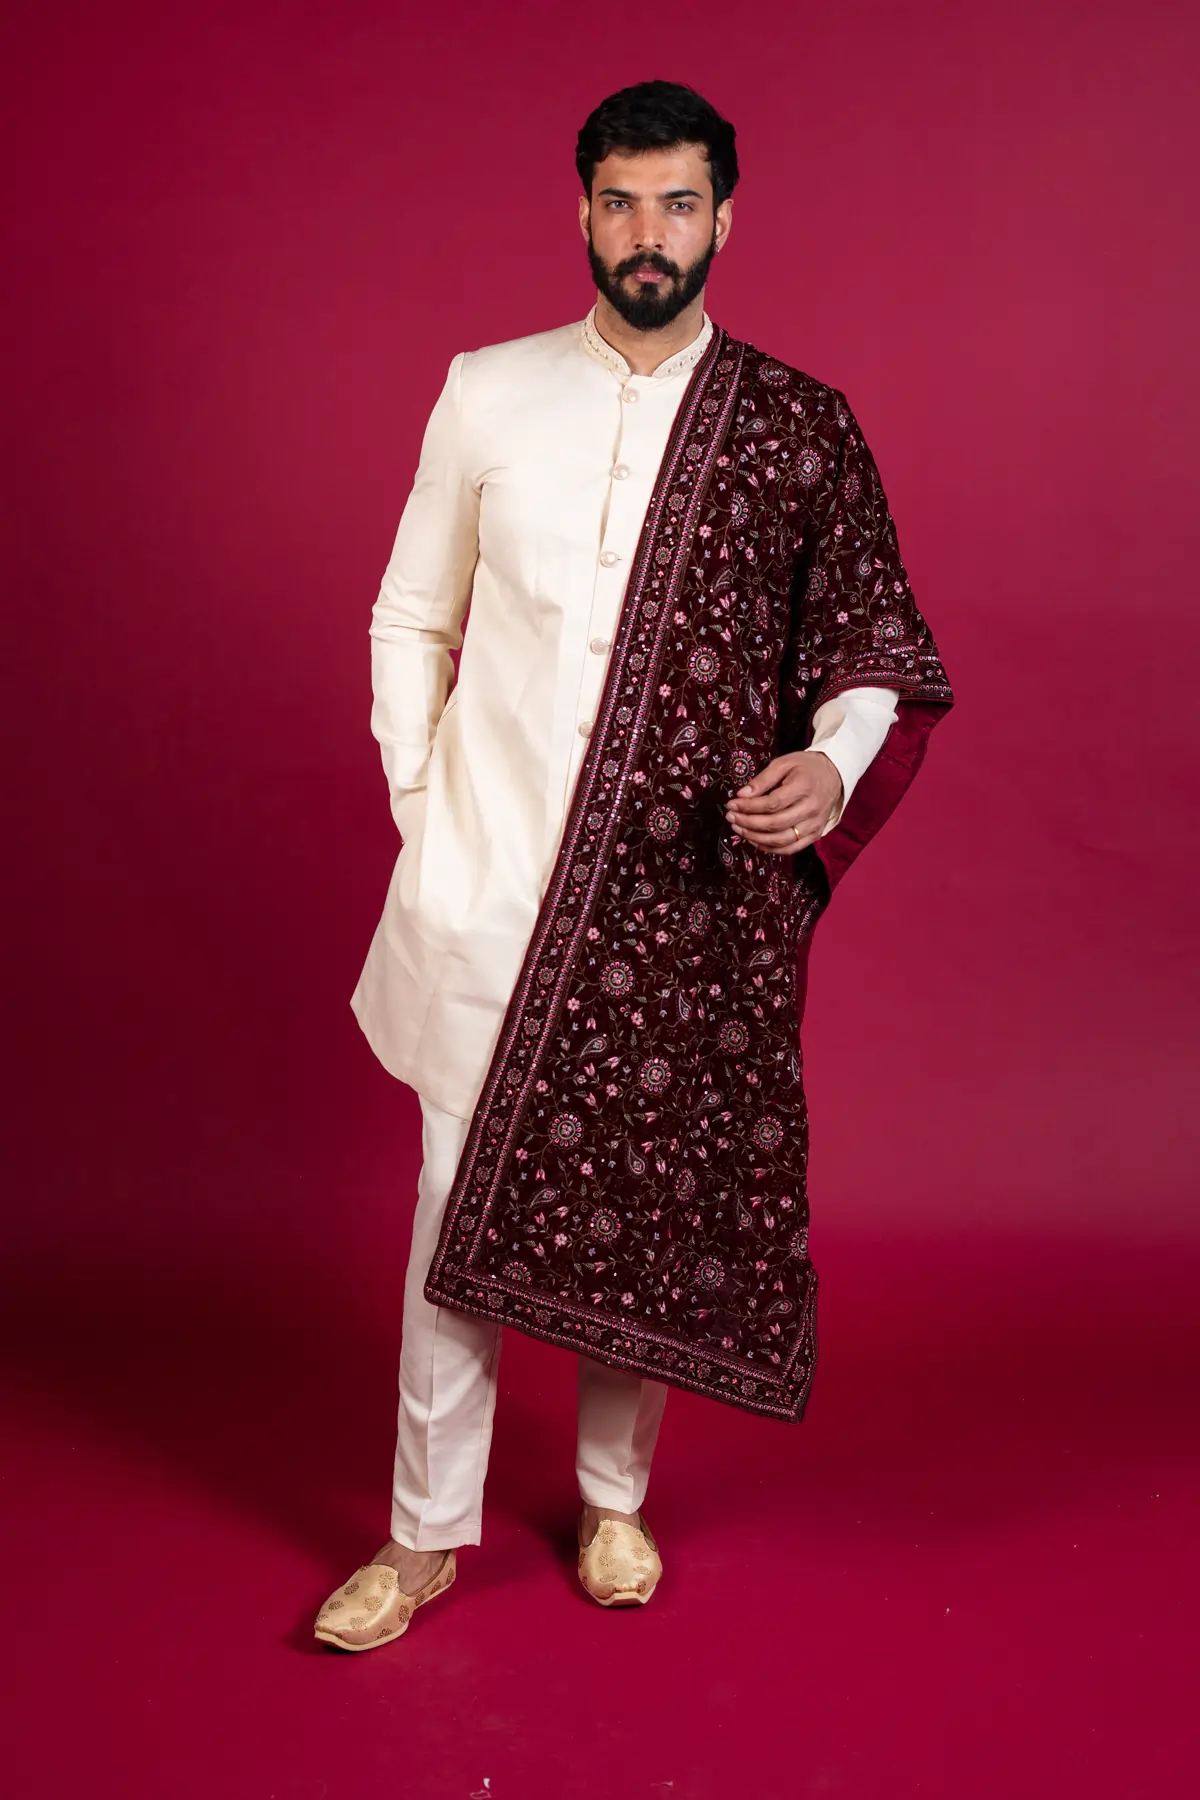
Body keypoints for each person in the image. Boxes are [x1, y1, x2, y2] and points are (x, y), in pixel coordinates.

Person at [315, 80, 954, 1651]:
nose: (647, 233)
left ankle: (612, 1501)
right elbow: (409, 614)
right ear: (582, 212)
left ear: (726, 215)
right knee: (453, 1207)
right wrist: (422, 808)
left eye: (677, 203)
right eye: (620, 202)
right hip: (487, 882)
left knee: (643, 1195)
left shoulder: (796, 427)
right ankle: (421, 1535)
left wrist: (834, 763)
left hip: (677, 897)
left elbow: (872, 654)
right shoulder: (486, 393)